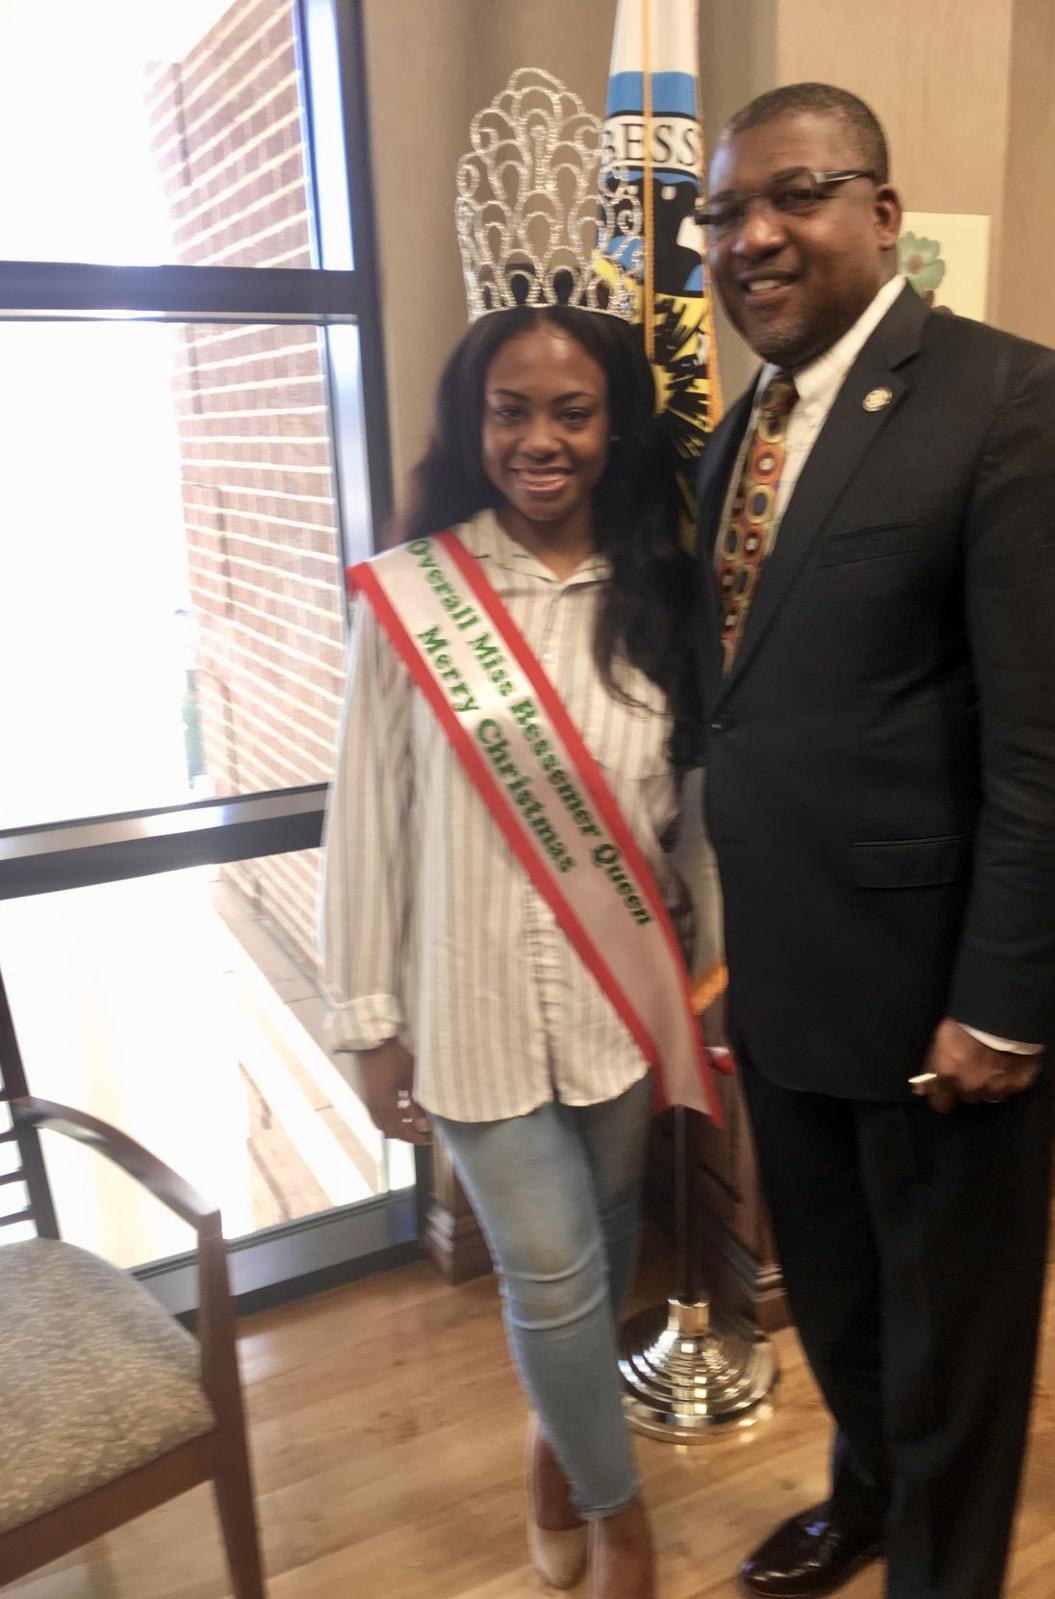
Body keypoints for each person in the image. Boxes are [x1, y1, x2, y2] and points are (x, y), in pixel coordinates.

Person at [692, 83, 1055, 1599]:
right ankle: (867, 1501)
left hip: (943, 1005)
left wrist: (1004, 1001)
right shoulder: (745, 428)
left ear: (884, 216)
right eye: (723, 211)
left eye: (794, 195)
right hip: (795, 988)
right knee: (841, 1307)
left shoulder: (1013, 397)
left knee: (953, 1348)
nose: (752, 236)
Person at [319, 298, 710, 1599]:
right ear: (471, 423)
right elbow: (365, 819)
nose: (541, 439)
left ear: (615, 428)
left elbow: (674, 819)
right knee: (549, 1279)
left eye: (573, 411)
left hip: (612, 1011)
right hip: (470, 1014)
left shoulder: (659, 595)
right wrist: (369, 1024)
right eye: (510, 410)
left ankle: (555, 1441)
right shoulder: (412, 595)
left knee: (596, 1261)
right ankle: (622, 1519)